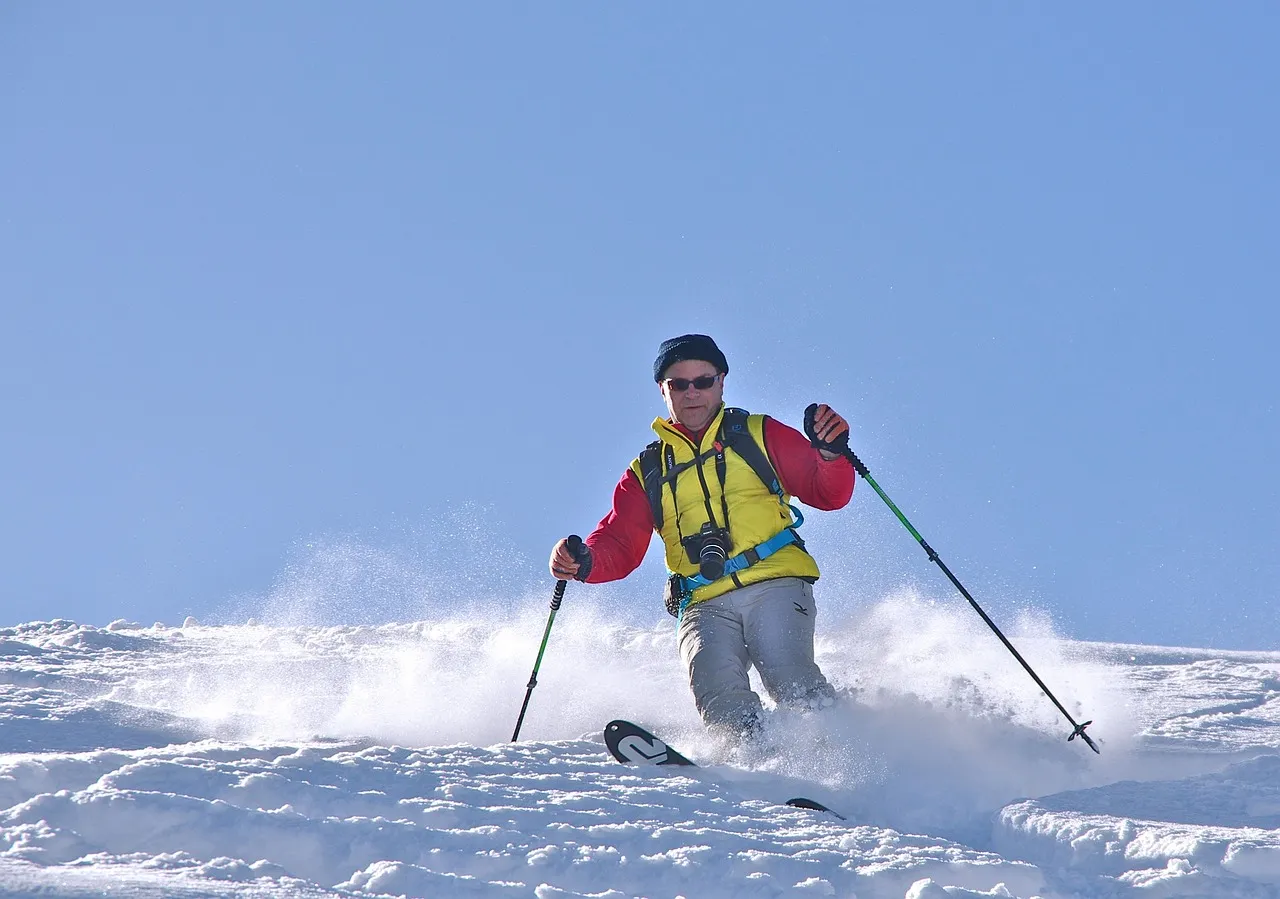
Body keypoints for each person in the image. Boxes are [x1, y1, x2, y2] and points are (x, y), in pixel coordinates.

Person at [549, 334, 855, 742]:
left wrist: (832, 454)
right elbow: (619, 545)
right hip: (701, 601)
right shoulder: (647, 471)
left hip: (775, 582)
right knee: (718, 696)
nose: (692, 393)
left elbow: (827, 493)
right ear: (663, 390)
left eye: (703, 381)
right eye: (679, 384)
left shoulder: (757, 434)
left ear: (722, 382)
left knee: (790, 675)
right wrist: (582, 561)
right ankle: (757, 770)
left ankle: (849, 755)